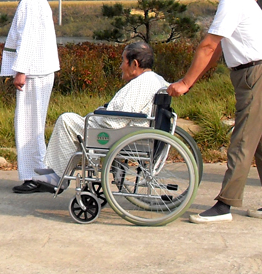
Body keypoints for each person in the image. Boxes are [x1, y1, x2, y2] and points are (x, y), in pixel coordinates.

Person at [167, 0, 262, 223]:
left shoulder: (232, 1)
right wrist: (195, 80)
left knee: (242, 141)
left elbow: (208, 45)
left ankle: (225, 205)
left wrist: (185, 83)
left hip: (256, 75)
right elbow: (218, 50)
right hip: (259, 73)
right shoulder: (234, 0)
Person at [33, 42, 168, 191]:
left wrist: (100, 113)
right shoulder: (155, 79)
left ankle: (59, 176)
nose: (120, 66)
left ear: (134, 64)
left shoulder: (140, 84)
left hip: (120, 133)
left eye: (123, 61)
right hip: (136, 131)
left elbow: (115, 122)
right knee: (77, 125)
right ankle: (57, 170)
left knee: (67, 120)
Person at [1, 0, 60, 194]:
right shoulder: (34, 1)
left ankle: (37, 177)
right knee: (30, 125)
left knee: (29, 126)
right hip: (37, 71)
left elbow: (29, 39)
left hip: (34, 72)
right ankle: (40, 175)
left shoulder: (32, 2)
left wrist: (21, 70)